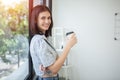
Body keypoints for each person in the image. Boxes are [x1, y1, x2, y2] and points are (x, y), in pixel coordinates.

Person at [30, 5, 77, 80]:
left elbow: (57, 61)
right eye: (43, 18)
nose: (47, 21)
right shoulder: (39, 41)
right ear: (35, 20)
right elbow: (54, 69)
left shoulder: (43, 39)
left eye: (49, 18)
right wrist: (68, 46)